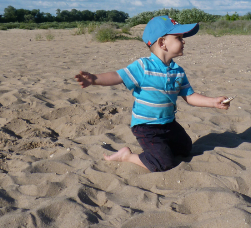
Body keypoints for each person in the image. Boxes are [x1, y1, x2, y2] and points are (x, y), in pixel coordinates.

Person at [75, 15, 230, 172]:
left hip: (168, 123)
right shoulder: (143, 66)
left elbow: (189, 96)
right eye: (178, 38)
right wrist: (94, 79)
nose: (183, 41)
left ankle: (161, 148)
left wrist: (213, 102)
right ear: (162, 43)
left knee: (185, 148)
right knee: (163, 164)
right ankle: (127, 156)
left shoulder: (178, 71)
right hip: (146, 127)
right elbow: (118, 76)